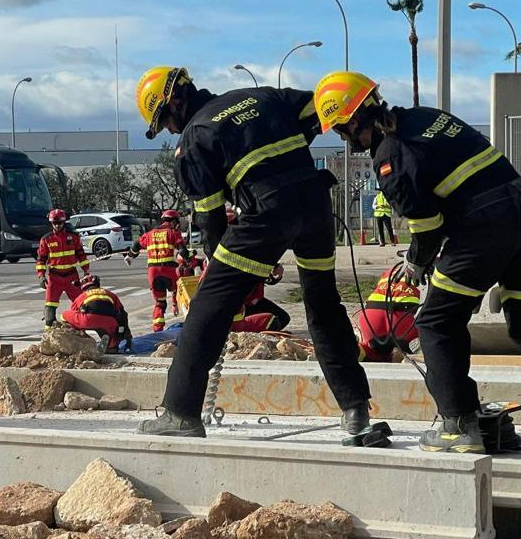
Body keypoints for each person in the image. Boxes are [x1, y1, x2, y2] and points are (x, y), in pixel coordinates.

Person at [314, 70, 521, 452]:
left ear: (351, 121)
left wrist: (415, 264)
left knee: (436, 322)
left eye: (340, 130)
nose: (345, 139)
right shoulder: (426, 117)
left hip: (485, 226)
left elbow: (427, 229)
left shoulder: (389, 157)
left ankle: (457, 425)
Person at [134, 66, 373, 440]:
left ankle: (180, 412)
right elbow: (321, 110)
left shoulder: (194, 139)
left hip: (264, 215)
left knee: (207, 309)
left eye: (164, 120)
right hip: (314, 207)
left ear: (177, 102)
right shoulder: (263, 97)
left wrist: (227, 275)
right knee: (323, 306)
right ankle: (356, 408)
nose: (169, 130)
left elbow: (212, 221)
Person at [124, 209, 188, 331]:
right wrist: (189, 261)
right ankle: (181, 312)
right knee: (179, 291)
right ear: (174, 221)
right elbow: (182, 251)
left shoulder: (150, 233)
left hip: (153, 272)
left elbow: (135, 245)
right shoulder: (173, 232)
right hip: (168, 269)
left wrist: (130, 257)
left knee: (160, 302)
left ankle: (157, 330)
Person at [35, 209, 91, 328]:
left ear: (64, 222)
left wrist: (86, 271)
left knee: (81, 303)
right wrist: (41, 275)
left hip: (72, 276)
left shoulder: (73, 237)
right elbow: (41, 259)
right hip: (55, 277)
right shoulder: (46, 239)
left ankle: (82, 329)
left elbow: (81, 254)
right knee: (50, 305)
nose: (57, 226)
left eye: (59, 223)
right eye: (54, 223)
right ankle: (48, 333)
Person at [354, 266, 420, 362]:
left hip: (372, 317)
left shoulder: (390, 271)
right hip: (405, 319)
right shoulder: (438, 269)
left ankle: (356, 350)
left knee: (373, 352)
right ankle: (410, 356)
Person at [61, 274, 133, 352]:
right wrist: (126, 334)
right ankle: (111, 347)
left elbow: (74, 312)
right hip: (109, 322)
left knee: (65, 315)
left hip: (88, 320)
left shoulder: (82, 296)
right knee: (113, 345)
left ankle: (77, 341)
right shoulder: (110, 294)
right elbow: (122, 313)